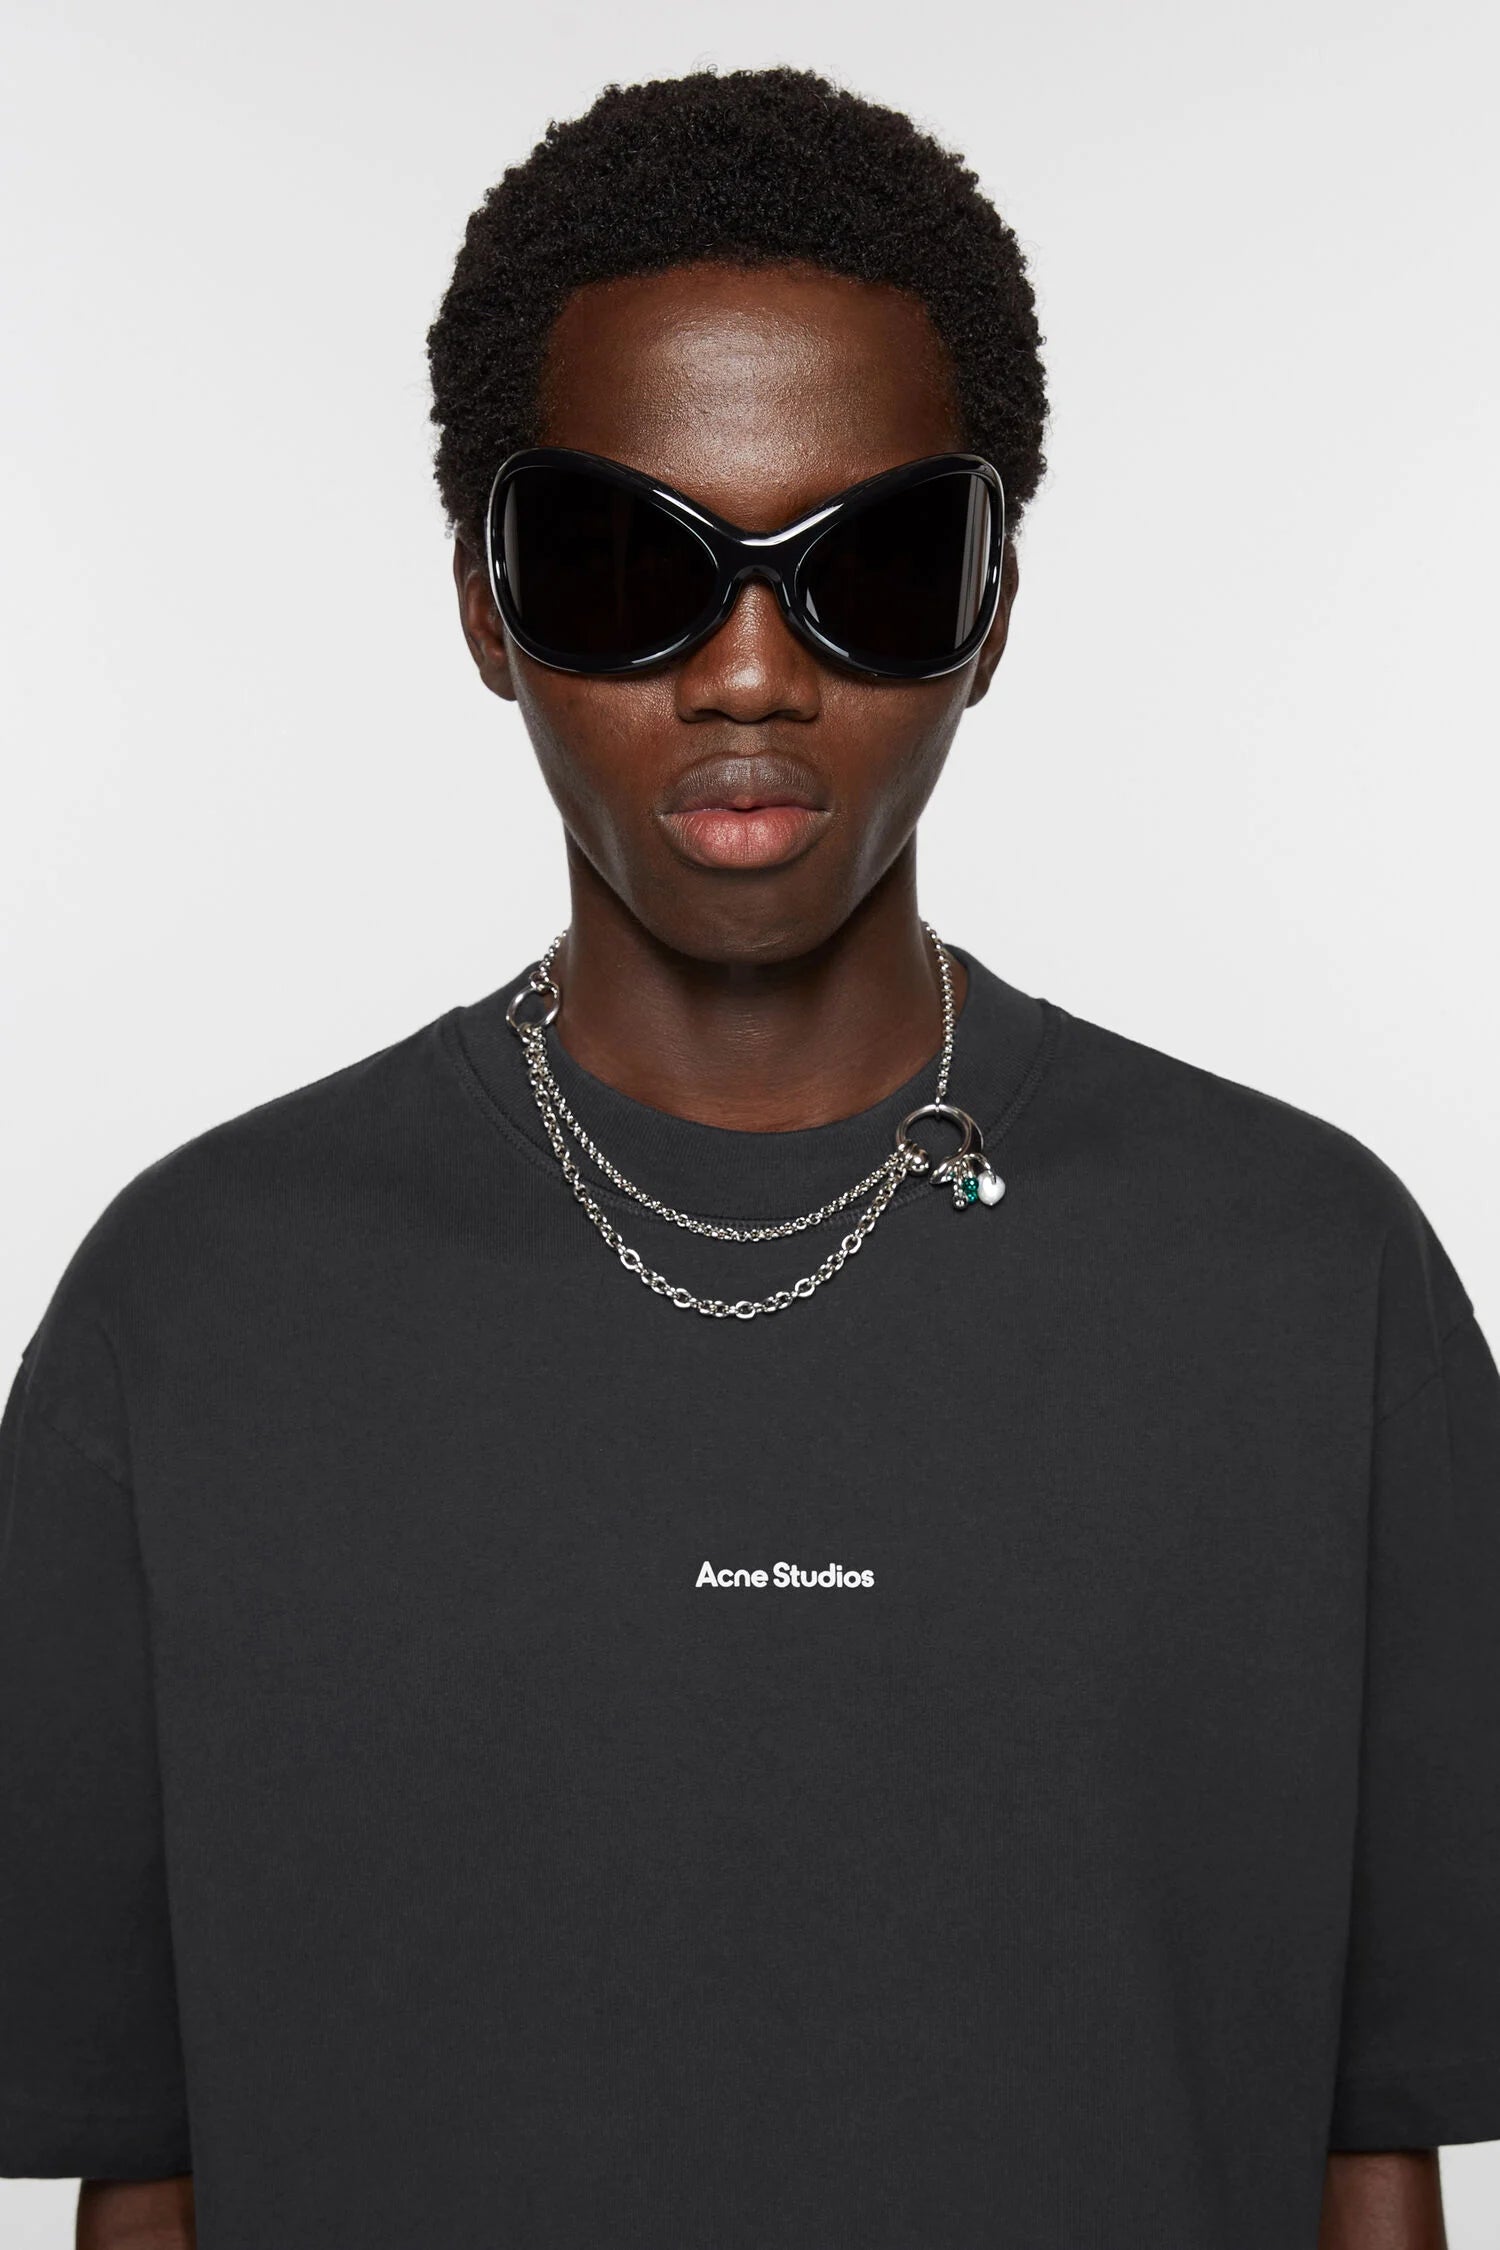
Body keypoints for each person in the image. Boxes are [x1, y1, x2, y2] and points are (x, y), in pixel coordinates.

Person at [2, 65, 1496, 2250]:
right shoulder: (194, 1316)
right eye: (630, 563)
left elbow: (1376, 2167)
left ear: (991, 606)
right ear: (487, 604)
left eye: (867, 567)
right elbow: (146, 2193)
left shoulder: (1310, 1286)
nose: (747, 675)